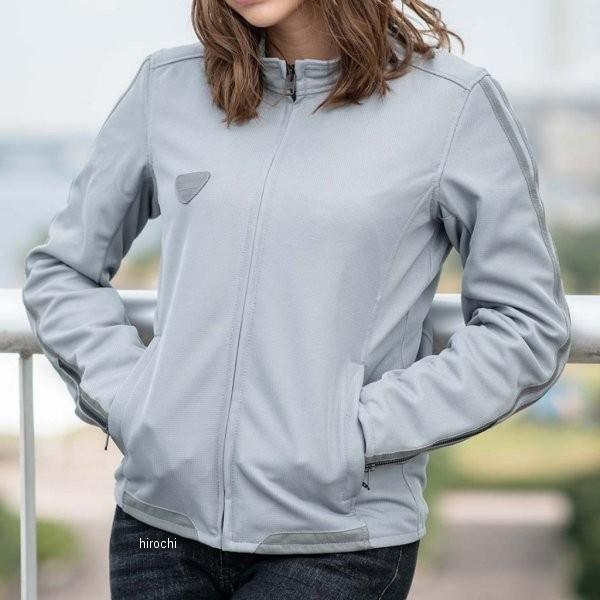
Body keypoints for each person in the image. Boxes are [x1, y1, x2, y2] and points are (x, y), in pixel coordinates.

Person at [21, 0, 572, 598]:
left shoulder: (453, 105)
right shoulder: (167, 87)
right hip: (157, 533)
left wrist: (357, 433)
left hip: (337, 544)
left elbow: (528, 326)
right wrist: (133, 400)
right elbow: (63, 271)